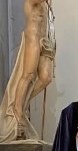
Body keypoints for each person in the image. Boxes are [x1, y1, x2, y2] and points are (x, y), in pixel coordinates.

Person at [0, 0, 55, 142]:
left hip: (46, 39)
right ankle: (17, 113)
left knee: (46, 77)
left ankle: (22, 102)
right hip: (33, 37)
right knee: (28, 75)